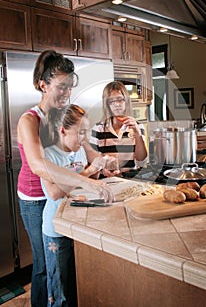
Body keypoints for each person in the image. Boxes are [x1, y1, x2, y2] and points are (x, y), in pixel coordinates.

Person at [17, 50, 113, 307]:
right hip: (36, 199)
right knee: (42, 266)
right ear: (43, 85)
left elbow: (85, 148)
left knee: (64, 265)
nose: (66, 93)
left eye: (69, 87)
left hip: (63, 195)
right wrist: (86, 180)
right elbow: (38, 165)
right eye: (61, 87)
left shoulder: (63, 114)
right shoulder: (30, 120)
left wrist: (102, 163)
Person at [41, 104, 106, 307]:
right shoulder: (48, 155)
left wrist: (98, 168)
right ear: (63, 130)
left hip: (77, 226)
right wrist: (86, 174)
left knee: (75, 286)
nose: (84, 138)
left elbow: (83, 184)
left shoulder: (78, 152)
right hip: (56, 231)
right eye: (81, 132)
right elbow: (53, 192)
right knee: (59, 290)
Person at [89, 81, 148, 173]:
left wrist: (138, 134)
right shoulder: (98, 129)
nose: (116, 104)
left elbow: (141, 162)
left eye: (120, 99)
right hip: (106, 181)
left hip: (130, 179)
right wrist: (102, 170)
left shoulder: (138, 126)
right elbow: (93, 162)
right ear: (107, 105)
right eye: (111, 101)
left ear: (126, 101)